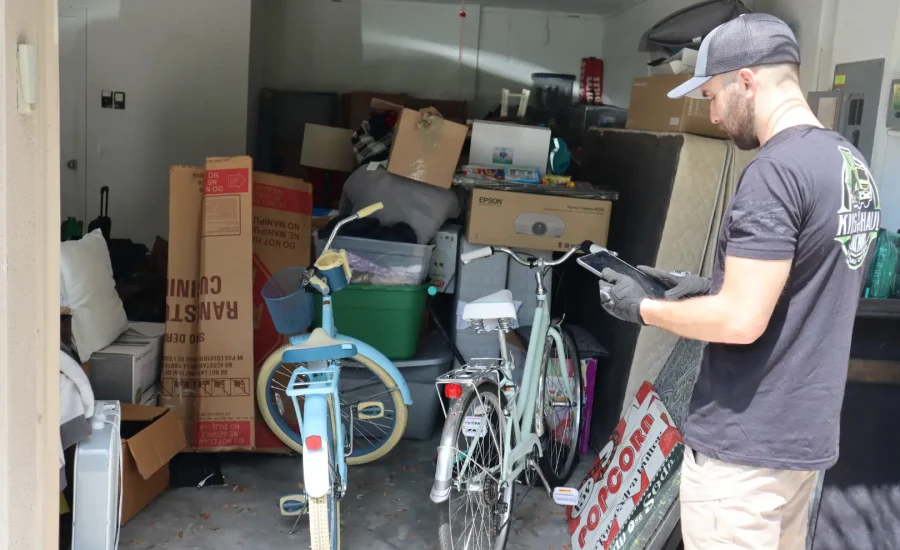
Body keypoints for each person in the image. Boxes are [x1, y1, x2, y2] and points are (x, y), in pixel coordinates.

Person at [596, 13, 882, 550]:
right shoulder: (848, 162)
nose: (713, 113)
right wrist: (703, 286)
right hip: (801, 446)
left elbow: (741, 319)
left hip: (744, 455)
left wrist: (644, 309)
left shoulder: (775, 173)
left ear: (746, 80)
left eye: (712, 95)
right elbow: (802, 287)